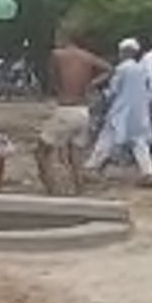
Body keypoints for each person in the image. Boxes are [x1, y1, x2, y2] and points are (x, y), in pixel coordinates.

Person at [41, 30, 111, 195]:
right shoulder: (88, 57)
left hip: (66, 108)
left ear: (65, 38)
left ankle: (52, 188)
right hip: (83, 111)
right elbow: (109, 69)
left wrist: (58, 89)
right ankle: (80, 189)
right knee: (76, 155)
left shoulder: (57, 55)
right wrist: (91, 84)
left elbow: (53, 79)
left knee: (41, 151)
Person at [85, 38, 152, 187]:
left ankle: (91, 167)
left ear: (125, 52)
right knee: (140, 143)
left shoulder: (122, 69)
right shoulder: (141, 69)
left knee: (107, 137)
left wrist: (103, 94)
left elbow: (114, 90)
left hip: (122, 110)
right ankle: (148, 173)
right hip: (140, 111)